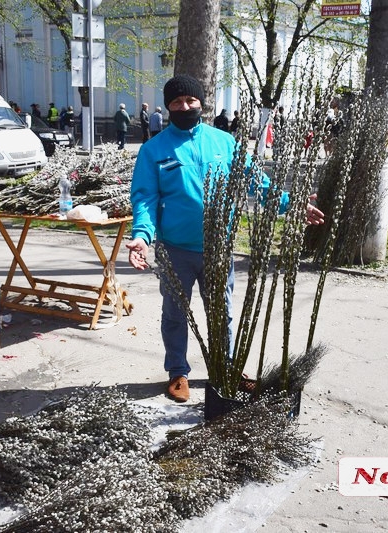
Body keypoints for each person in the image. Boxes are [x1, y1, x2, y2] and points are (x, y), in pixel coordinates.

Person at [126, 75, 325, 403]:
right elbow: (145, 197)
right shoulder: (154, 150)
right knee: (175, 313)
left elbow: (257, 184)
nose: (184, 106)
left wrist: (292, 204)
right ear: (168, 106)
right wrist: (142, 237)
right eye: (176, 102)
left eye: (190, 101)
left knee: (222, 313)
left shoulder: (224, 143)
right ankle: (178, 371)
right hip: (175, 249)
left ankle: (227, 367)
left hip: (218, 248)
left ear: (201, 102)